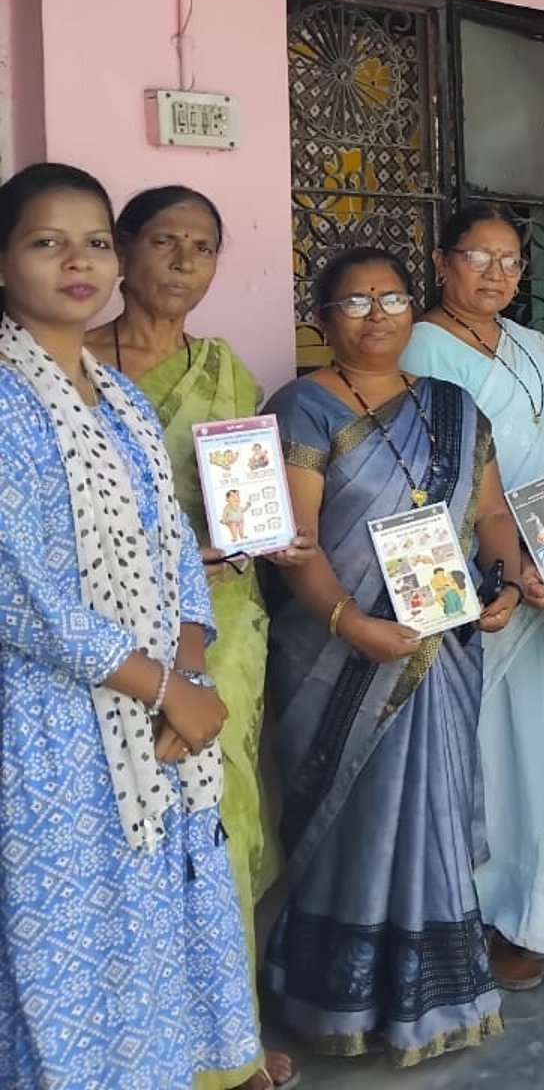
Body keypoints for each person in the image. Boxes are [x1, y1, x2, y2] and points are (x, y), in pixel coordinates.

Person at [0, 164, 258, 1087]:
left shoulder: (123, 402)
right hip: (50, 727)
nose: (78, 262)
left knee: (148, 935)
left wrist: (188, 674)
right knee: (67, 946)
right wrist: (164, 687)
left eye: (95, 243)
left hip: (152, 718)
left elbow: (176, 549)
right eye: (47, 242)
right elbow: (19, 591)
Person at [260, 246, 523, 1065]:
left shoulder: (452, 406)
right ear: (321, 319)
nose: (377, 315)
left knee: (429, 816)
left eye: (393, 298)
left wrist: (507, 583)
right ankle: (336, 1005)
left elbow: (492, 516)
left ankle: (431, 1002)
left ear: (415, 307)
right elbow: (295, 543)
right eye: (355, 302)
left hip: (435, 650)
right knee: (356, 824)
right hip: (335, 659)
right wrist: (350, 622)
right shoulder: (301, 407)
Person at [87, 184, 316, 1090]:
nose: (184, 262)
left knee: (225, 819)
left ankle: (234, 1038)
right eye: (164, 241)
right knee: (130, 829)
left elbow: (245, 497)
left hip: (221, 624)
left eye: (204, 246)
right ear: (121, 252)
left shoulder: (224, 370)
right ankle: (144, 1037)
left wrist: (268, 536)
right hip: (111, 631)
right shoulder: (70, 366)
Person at [401, 204, 544, 985]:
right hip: (477, 573)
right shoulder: (416, 346)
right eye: (479, 257)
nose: (497, 274)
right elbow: (427, 482)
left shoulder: (526, 343)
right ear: (441, 262)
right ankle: (484, 913)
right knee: (484, 751)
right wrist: (504, 571)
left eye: (511, 261)